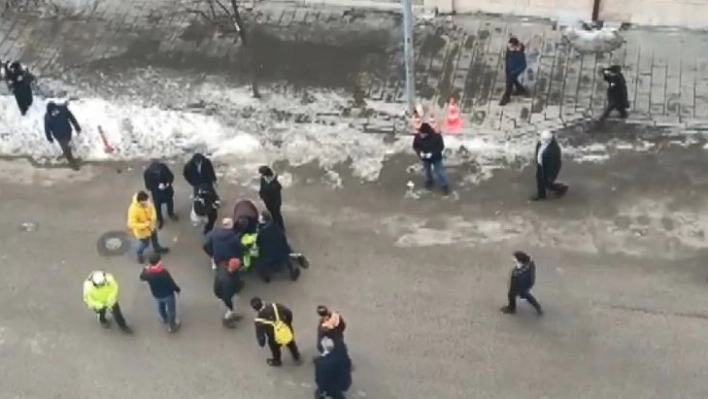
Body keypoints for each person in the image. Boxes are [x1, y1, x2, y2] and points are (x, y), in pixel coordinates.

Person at [250, 296, 302, 367]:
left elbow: (260, 335)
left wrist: (261, 343)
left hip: (274, 337)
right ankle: (297, 357)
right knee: (290, 343)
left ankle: (277, 360)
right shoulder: (275, 306)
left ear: (254, 309)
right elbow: (288, 312)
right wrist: (288, 324)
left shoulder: (258, 321)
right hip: (285, 330)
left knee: (275, 349)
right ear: (262, 302)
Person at [139, 253, 181, 333]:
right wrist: (177, 289)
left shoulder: (148, 273)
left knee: (160, 306)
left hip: (156, 294)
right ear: (159, 262)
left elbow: (141, 276)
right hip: (167, 294)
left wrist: (145, 269)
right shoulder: (163, 273)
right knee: (171, 310)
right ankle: (172, 326)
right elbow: (171, 283)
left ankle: (164, 318)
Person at [256, 210, 300, 283]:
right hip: (282, 250)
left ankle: (266, 276)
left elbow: (258, 243)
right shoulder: (275, 226)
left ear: (263, 221)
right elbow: (283, 238)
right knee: (286, 258)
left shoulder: (262, 232)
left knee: (261, 259)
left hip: (269, 254)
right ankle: (292, 272)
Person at [127, 191, 169, 263]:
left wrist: (153, 219)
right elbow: (131, 224)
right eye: (146, 201)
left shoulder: (148, 203)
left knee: (155, 238)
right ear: (141, 202)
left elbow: (153, 210)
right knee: (145, 244)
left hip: (151, 227)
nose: (148, 202)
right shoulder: (133, 209)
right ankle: (139, 253)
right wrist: (145, 225)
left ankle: (157, 248)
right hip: (143, 232)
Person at [500, 251, 543, 315]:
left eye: (515, 261)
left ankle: (512, 308)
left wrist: (512, 289)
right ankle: (538, 307)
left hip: (520, 285)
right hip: (528, 282)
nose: (513, 262)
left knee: (512, 294)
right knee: (526, 295)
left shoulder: (518, 273)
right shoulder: (530, 263)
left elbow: (514, 282)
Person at [412, 122, 449, 195]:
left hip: (436, 157)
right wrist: (420, 153)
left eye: (423, 134)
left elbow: (441, 147)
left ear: (427, 133)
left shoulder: (437, 136)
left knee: (440, 172)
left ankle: (444, 185)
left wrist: (432, 153)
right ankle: (429, 181)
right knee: (427, 170)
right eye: (420, 133)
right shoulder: (418, 137)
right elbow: (415, 146)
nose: (421, 135)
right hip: (425, 158)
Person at [531, 130, 568, 201]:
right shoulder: (541, 143)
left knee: (546, 182)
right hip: (541, 164)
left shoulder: (554, 150)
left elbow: (554, 164)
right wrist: (537, 161)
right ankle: (541, 194)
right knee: (539, 179)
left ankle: (561, 188)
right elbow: (538, 151)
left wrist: (550, 174)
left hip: (548, 169)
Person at [44, 101, 81, 170]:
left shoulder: (63, 109)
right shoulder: (47, 117)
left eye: (54, 111)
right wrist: (49, 137)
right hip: (59, 136)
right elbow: (47, 128)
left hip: (67, 132)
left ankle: (67, 153)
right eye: (52, 112)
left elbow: (72, 118)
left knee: (67, 145)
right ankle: (72, 162)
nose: (54, 113)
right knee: (65, 147)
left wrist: (77, 126)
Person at [143, 160, 178, 229]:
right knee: (157, 207)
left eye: (159, 170)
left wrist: (168, 183)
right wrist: (157, 187)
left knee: (170, 202)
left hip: (167, 191)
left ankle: (170, 213)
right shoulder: (147, 173)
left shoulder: (163, 167)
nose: (158, 171)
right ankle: (160, 219)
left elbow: (171, 176)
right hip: (157, 194)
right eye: (156, 171)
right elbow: (148, 186)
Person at [214, 258, 244, 328]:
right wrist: (230, 306)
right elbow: (226, 297)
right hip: (224, 295)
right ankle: (227, 319)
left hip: (221, 291)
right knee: (229, 309)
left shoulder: (223, 266)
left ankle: (232, 314)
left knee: (233, 305)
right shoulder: (228, 282)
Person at [499, 37, 528, 106]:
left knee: (509, 84)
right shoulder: (511, 50)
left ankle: (506, 97)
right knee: (513, 80)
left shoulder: (519, 54)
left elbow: (523, 65)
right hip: (509, 69)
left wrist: (515, 71)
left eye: (511, 45)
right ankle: (520, 89)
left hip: (513, 71)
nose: (509, 47)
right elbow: (508, 57)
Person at [258, 166, 285, 231]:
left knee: (277, 214)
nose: (261, 175)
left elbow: (276, 191)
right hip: (267, 201)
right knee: (272, 213)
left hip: (275, 202)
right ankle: (275, 225)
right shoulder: (263, 179)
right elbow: (262, 189)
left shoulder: (275, 183)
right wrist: (261, 195)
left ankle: (281, 227)